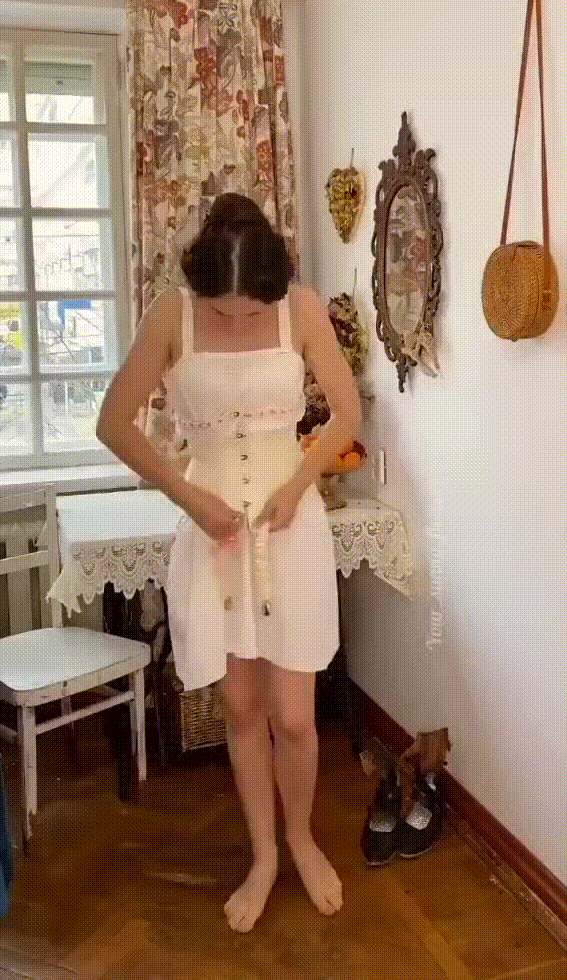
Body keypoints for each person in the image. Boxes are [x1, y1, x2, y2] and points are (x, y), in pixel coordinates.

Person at [96, 192, 362, 933]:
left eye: (253, 308)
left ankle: (301, 836)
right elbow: (113, 422)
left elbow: (347, 411)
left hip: (290, 528)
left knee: (295, 716)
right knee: (241, 707)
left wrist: (300, 483)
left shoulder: (300, 308)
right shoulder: (170, 314)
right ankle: (263, 855)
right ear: (202, 279)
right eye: (225, 308)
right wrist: (186, 495)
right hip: (213, 532)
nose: (240, 317)